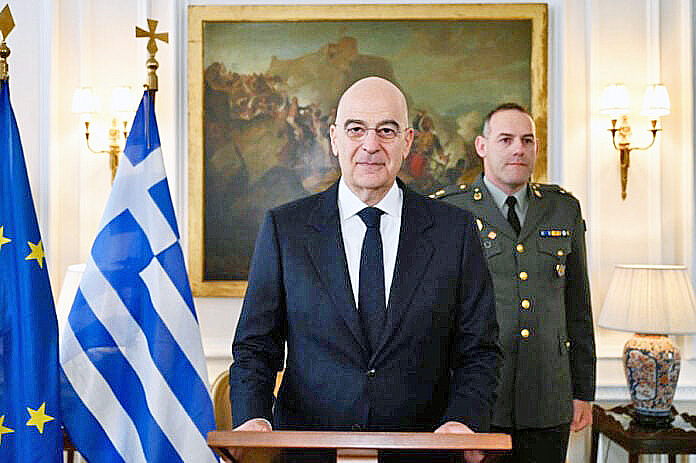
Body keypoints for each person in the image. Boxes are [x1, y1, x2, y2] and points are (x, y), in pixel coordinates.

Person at [229, 76, 502, 463]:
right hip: (311, 455)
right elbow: (256, 346)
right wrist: (254, 417)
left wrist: (463, 421)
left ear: (407, 141)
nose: (370, 145)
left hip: (422, 455)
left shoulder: (454, 232)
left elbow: (479, 350)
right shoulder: (284, 229)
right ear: (334, 138)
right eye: (356, 129)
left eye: (386, 130)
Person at [435, 103, 596, 463]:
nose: (518, 149)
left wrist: (583, 390)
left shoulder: (562, 209)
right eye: (506, 140)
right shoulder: (451, 211)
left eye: (527, 140)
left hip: (547, 397)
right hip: (476, 400)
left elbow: (578, 307)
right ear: (482, 146)